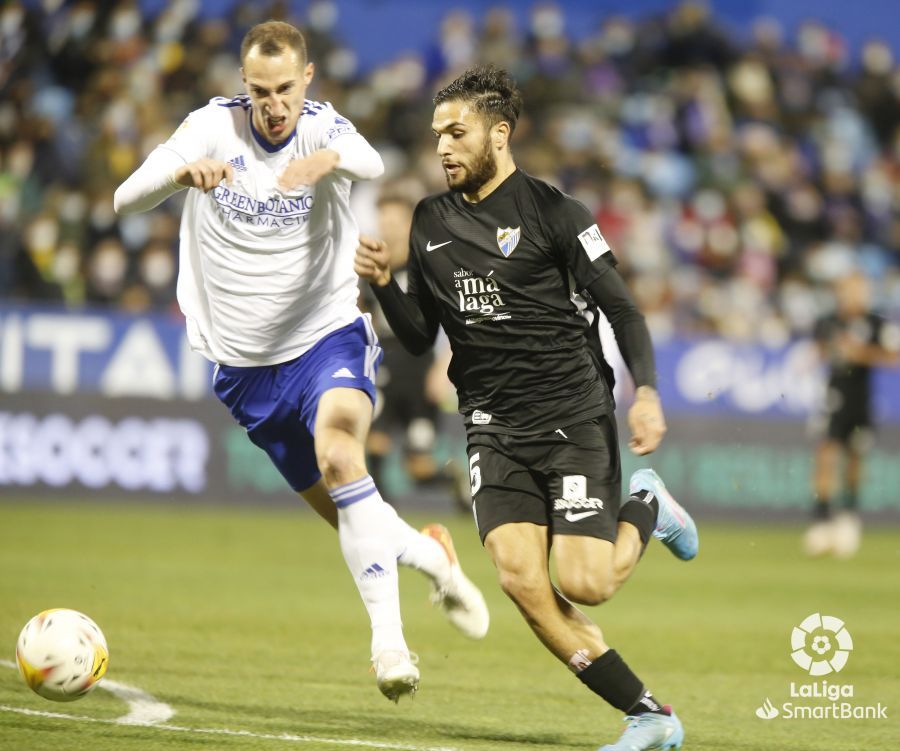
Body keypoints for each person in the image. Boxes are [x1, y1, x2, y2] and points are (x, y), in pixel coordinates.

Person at [113, 20, 489, 703]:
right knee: (352, 514)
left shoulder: (325, 128)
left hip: (325, 336)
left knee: (344, 459)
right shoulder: (210, 128)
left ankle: (390, 646)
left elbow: (371, 161)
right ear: (242, 84)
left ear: (306, 80)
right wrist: (178, 174)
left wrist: (327, 162)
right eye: (260, 90)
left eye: (286, 87)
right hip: (243, 370)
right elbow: (123, 197)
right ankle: (434, 555)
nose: (274, 103)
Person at [355, 66, 698, 751]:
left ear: (500, 134)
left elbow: (623, 308)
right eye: (437, 136)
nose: (444, 148)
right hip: (491, 426)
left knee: (584, 582)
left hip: (572, 416)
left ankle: (647, 502)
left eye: (458, 133)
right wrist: (387, 285)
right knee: (519, 578)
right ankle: (649, 714)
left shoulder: (556, 213)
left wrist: (649, 393)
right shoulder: (429, 221)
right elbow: (423, 336)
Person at [363, 189, 469, 511]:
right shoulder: (369, 266)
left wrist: (444, 367)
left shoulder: (427, 264)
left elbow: (457, 319)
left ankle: (456, 482)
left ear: (409, 222)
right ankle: (381, 520)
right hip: (384, 365)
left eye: (394, 219)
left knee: (418, 470)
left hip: (421, 370)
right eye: (383, 219)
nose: (388, 226)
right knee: (375, 445)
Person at [803, 271, 900, 558]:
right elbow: (816, 352)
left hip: (861, 400)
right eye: (848, 290)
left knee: (855, 458)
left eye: (858, 290)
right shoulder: (829, 322)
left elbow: (893, 356)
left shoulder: (875, 322)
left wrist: (860, 354)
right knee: (826, 453)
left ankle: (848, 517)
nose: (853, 296)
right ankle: (821, 521)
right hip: (834, 397)